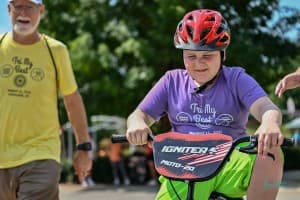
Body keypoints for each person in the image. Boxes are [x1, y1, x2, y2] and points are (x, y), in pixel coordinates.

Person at [126, 9, 284, 200]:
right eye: (190, 56)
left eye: (207, 56)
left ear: (222, 55)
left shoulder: (236, 79)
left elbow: (266, 108)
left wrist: (269, 124)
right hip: (183, 167)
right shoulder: (171, 80)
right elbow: (139, 114)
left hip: (229, 164)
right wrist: (137, 125)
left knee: (271, 151)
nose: (198, 63)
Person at [0, 0, 92, 199]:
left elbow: (72, 100)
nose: (23, 12)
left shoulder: (56, 50)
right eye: (18, 6)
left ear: (41, 11)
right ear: (9, 10)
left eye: (30, 7)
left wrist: (83, 147)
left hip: (41, 154)